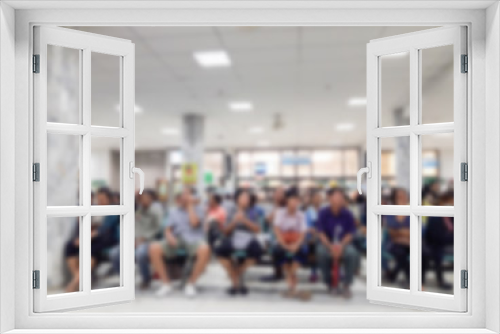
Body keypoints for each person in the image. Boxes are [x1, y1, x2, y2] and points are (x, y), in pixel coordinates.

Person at [149, 188, 210, 298]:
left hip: (194, 239)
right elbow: (167, 229)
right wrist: (169, 236)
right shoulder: (173, 211)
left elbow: (194, 223)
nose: (184, 198)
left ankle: (191, 283)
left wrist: (190, 206)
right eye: (182, 195)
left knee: (205, 249)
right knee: (154, 248)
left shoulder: (199, 209)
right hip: (177, 238)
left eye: (187, 195)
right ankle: (166, 284)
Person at [64, 188, 119, 292]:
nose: (100, 202)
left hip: (104, 241)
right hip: (90, 238)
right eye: (99, 199)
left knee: (91, 249)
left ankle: (72, 286)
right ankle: (79, 279)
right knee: (70, 245)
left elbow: (102, 230)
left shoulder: (113, 212)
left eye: (103, 199)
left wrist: (84, 239)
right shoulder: (93, 209)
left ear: (109, 199)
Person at [110, 189, 163, 289]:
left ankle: (146, 279)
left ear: (151, 199)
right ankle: (125, 279)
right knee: (114, 253)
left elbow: (157, 229)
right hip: (133, 241)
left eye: (146, 198)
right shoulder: (137, 211)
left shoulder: (155, 211)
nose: (144, 201)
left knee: (140, 253)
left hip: (148, 241)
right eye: (142, 198)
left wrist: (143, 239)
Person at [215, 189, 262, 295]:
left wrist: (245, 220)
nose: (247, 199)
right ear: (237, 199)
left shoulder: (252, 211)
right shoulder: (229, 211)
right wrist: (234, 221)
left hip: (248, 238)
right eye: (244, 197)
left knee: (258, 251)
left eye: (248, 198)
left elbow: (257, 230)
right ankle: (235, 281)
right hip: (232, 237)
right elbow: (225, 231)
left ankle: (236, 274)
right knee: (219, 250)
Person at [316, 188, 358, 299]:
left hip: (343, 244)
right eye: (336, 197)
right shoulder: (323, 213)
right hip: (327, 244)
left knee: (351, 253)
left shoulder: (347, 213)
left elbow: (350, 233)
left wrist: (341, 246)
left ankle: (346, 284)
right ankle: (330, 283)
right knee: (321, 252)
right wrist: (330, 247)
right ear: (330, 198)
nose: (339, 200)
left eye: (341, 197)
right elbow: (320, 233)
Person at [273, 188, 310, 300]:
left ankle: (290, 283)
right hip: (283, 242)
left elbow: (303, 233)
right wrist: (285, 245)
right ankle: (292, 286)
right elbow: (277, 231)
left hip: (296, 242)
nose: (294, 202)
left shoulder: (301, 215)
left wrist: (296, 245)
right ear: (287, 200)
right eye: (292, 200)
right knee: (278, 251)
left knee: (303, 250)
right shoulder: (280, 213)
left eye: (297, 200)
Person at [423, 191, 454, 290]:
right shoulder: (435, 216)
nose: (451, 203)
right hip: (434, 243)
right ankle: (440, 280)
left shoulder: (451, 216)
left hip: (448, 242)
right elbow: (434, 236)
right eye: (449, 201)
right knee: (435, 252)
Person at [385, 188, 411, 287]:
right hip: (394, 243)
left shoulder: (411, 211)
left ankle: (393, 274)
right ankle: (411, 280)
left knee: (423, 252)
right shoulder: (391, 212)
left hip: (409, 242)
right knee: (401, 253)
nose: (402, 198)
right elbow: (392, 232)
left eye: (404, 196)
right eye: (399, 196)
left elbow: (415, 230)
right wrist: (404, 233)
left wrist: (402, 233)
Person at [260, 186, 286, 282]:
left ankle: (279, 273)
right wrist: (275, 210)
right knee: (272, 244)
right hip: (272, 235)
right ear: (274, 195)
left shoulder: (287, 206)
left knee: (278, 246)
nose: (279, 195)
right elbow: (267, 221)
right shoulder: (269, 207)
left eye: (282, 193)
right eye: (277, 193)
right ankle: (278, 273)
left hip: (284, 234)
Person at [305, 190, 323, 282]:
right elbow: (306, 227)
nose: (317, 200)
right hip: (312, 237)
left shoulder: (325, 210)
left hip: (323, 236)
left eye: (319, 198)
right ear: (312, 199)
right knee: (312, 244)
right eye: (315, 198)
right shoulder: (308, 212)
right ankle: (314, 272)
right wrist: (312, 231)